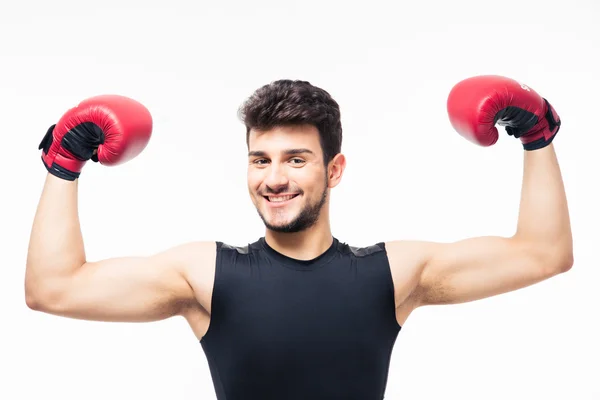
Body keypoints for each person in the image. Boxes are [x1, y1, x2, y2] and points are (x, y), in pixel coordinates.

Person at [25, 76, 573, 400]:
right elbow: (54, 289)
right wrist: (63, 163)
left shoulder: (393, 274)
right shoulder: (207, 275)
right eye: (260, 159)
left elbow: (543, 254)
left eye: (296, 159)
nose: (275, 178)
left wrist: (537, 136)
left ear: (333, 171)